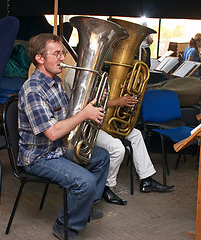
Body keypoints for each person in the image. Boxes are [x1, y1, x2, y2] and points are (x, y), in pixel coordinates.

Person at [18, 33, 110, 240]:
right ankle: (65, 226)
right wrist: (84, 114)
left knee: (102, 157)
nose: (63, 58)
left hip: (58, 149)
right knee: (84, 181)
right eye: (57, 54)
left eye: (63, 53)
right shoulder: (33, 90)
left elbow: (68, 115)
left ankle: (83, 209)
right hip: (38, 157)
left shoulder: (56, 82)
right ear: (40, 59)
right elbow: (52, 133)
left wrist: (94, 104)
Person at [64, 67, 174, 207]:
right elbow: (84, 105)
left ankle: (146, 179)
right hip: (84, 126)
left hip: (99, 119)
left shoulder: (96, 69)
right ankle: (105, 187)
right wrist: (117, 102)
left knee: (136, 134)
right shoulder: (74, 72)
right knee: (117, 148)